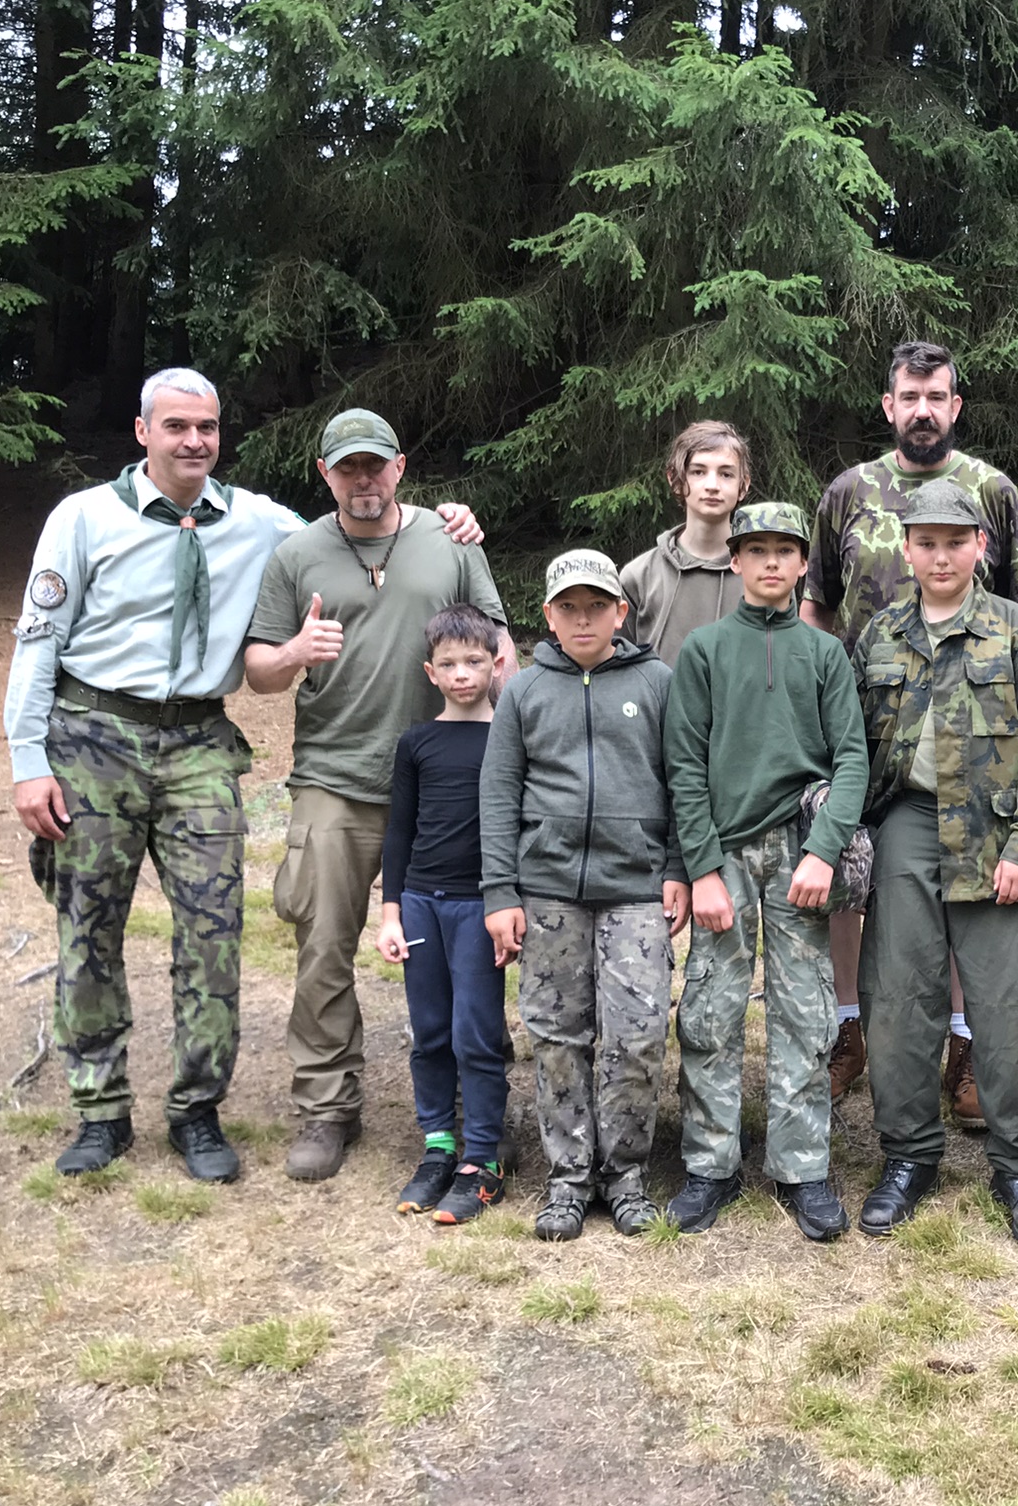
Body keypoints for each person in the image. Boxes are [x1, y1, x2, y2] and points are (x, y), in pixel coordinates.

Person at [4, 369, 481, 1183]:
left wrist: (448, 519)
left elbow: (360, 525)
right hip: (93, 735)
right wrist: (28, 763)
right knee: (90, 929)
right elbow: (37, 641)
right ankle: (100, 1110)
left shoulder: (258, 521)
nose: (194, 441)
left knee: (213, 932)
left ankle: (197, 1111)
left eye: (208, 427)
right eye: (176, 426)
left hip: (197, 739)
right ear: (143, 431)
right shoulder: (82, 519)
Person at [244, 408, 512, 1183]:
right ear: (325, 476)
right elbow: (258, 670)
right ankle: (328, 1106)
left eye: (375, 465)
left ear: (399, 467)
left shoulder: (451, 540)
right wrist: (296, 651)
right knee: (323, 944)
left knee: (465, 946)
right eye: (347, 468)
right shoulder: (296, 555)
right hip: (337, 777)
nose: (363, 479)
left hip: (447, 782)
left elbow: (498, 646)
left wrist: (515, 744)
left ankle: (472, 1104)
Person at [803, 341, 1018, 1123]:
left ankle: (965, 1042)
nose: (924, 410)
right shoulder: (848, 493)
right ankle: (847, 1028)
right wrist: (812, 704)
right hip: (859, 718)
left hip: (968, 727)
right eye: (910, 396)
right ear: (889, 405)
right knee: (849, 876)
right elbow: (817, 605)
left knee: (965, 875)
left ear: (956, 406)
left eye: (937, 396)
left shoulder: (991, 492)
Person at [849, 481, 1018, 1254]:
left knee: (1010, 1008)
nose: (941, 556)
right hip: (907, 825)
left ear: (981, 545)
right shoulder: (882, 632)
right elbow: (851, 740)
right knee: (897, 1000)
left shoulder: (1014, 628)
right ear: (907, 549)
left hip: (996, 831)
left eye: (955, 541)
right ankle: (909, 1156)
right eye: (926, 543)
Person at [662, 502, 867, 1241]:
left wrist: (823, 850)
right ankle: (710, 1164)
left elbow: (852, 758)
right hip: (724, 851)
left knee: (806, 1011)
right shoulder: (705, 651)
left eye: (785, 550)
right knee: (710, 1011)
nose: (771, 562)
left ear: (804, 563)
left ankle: (802, 1166)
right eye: (757, 550)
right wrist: (703, 867)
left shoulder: (825, 654)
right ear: (735, 560)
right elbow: (683, 765)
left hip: (799, 850)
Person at [480, 550, 690, 1242]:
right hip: (548, 892)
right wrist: (500, 891)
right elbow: (498, 795)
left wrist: (678, 865)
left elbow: (682, 778)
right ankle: (569, 1177)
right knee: (556, 1037)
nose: (582, 619)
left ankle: (624, 1174)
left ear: (620, 612)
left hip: (636, 890)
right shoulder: (523, 692)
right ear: (548, 615)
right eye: (568, 607)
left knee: (636, 1034)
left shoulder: (657, 683)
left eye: (596, 606)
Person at [377, 605, 510, 1224]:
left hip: (480, 907)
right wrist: (391, 913)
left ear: (496, 664)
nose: (462, 674)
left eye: (474, 662)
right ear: (431, 672)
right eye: (449, 664)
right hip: (421, 906)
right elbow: (399, 831)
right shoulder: (416, 742)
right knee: (430, 1031)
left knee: (475, 1033)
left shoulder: (509, 739)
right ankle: (438, 1146)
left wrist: (511, 905)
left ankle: (482, 1157)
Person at [620, 421, 752, 664]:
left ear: (743, 485)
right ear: (675, 479)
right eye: (698, 472)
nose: (712, 486)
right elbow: (617, 668)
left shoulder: (762, 575)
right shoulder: (639, 576)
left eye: (726, 474)